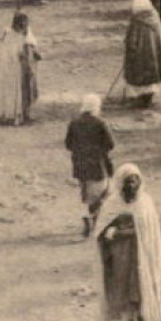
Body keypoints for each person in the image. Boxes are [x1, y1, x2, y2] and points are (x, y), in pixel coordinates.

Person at [96, 163, 161, 321]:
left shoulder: (145, 203)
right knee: (124, 288)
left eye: (134, 181)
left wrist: (129, 232)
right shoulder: (112, 205)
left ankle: (143, 318)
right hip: (121, 256)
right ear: (120, 183)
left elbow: (151, 231)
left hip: (143, 255)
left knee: (141, 287)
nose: (131, 186)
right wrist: (113, 233)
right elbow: (102, 231)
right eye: (127, 182)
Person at [65, 95, 115, 238]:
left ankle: (91, 219)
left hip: (80, 165)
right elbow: (111, 144)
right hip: (98, 165)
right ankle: (92, 219)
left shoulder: (74, 123)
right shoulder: (100, 123)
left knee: (87, 193)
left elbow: (68, 144)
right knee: (102, 194)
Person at [123, 0, 161, 105]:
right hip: (154, 55)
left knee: (139, 76)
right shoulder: (155, 17)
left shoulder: (135, 20)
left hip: (141, 56)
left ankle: (140, 98)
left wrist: (129, 50)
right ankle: (148, 97)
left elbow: (131, 41)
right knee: (151, 79)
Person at [0, 12, 41, 125]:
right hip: (14, 69)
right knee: (15, 92)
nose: (25, 27)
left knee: (29, 90)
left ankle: (26, 113)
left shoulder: (26, 33)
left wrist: (34, 52)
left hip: (26, 67)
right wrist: (19, 56)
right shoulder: (10, 36)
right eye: (22, 25)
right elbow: (9, 53)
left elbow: (32, 44)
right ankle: (13, 115)